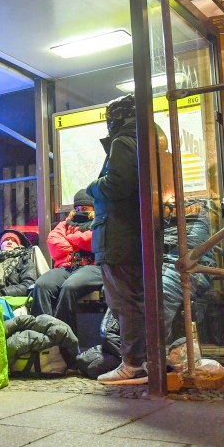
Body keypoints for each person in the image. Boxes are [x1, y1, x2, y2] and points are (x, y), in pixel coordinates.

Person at [86, 93, 147, 385]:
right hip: (133, 234)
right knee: (135, 299)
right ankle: (140, 359)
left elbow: (116, 184)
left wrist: (93, 186)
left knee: (123, 301)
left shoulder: (123, 142)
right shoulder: (144, 140)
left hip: (118, 236)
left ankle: (133, 363)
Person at [31, 189, 103, 335]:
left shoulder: (100, 221)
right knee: (42, 285)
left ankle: (64, 337)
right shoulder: (64, 224)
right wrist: (79, 242)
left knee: (69, 287)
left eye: (84, 208)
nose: (79, 211)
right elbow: (54, 242)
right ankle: (44, 334)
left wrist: (72, 237)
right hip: (67, 266)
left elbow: (94, 240)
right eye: (77, 208)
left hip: (92, 266)